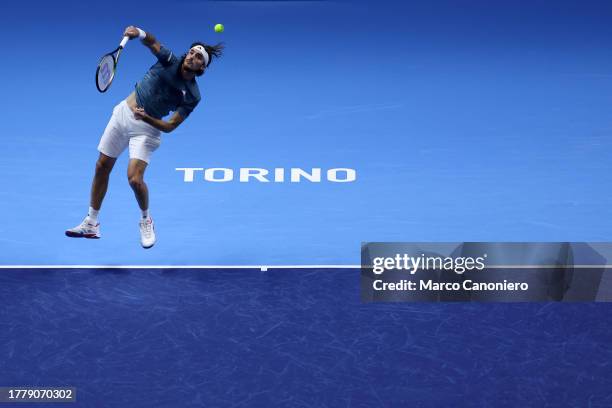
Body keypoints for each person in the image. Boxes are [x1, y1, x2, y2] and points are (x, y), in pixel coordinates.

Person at [65, 26, 223, 248]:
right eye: (191, 52)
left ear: (202, 68)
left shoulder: (193, 96)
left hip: (147, 129)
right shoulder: (169, 59)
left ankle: (146, 220)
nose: (192, 57)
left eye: (199, 57)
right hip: (122, 115)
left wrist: (146, 118)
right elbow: (152, 42)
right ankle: (91, 222)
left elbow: (169, 127)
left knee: (135, 180)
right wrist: (138, 32)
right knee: (102, 166)